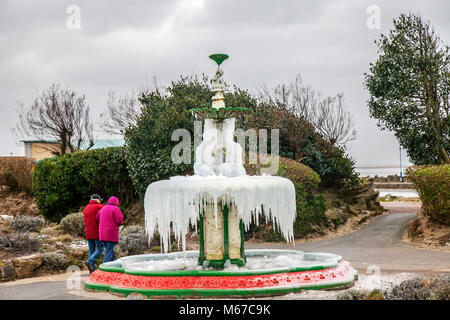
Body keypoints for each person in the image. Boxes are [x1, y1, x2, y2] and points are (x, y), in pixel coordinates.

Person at [97, 196, 123, 263]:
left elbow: (97, 217)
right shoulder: (115, 209)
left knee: (109, 250)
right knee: (109, 251)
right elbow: (119, 221)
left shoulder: (103, 208)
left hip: (102, 233)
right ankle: (104, 269)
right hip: (110, 233)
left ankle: (114, 267)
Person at [83, 194, 105, 273]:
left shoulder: (86, 208)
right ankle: (90, 261)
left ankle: (91, 269)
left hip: (88, 232)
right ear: (97, 200)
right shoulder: (99, 207)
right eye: (99, 200)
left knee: (91, 250)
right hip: (96, 232)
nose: (100, 201)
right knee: (100, 248)